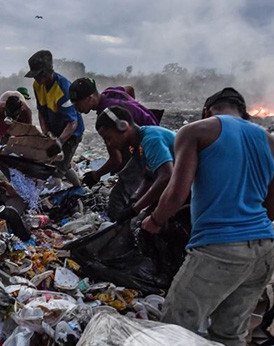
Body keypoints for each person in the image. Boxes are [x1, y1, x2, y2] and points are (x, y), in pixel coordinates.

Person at [142, 87, 274, 346]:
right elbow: (271, 210)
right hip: (263, 253)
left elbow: (177, 192)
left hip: (219, 249)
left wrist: (155, 221)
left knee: (176, 327)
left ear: (207, 111)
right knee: (229, 335)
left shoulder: (196, 131)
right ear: (245, 114)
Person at [69, 77, 160, 218]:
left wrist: (95, 175)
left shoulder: (107, 118)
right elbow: (129, 88)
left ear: (90, 98)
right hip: (153, 131)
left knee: (118, 197)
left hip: (147, 148)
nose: (76, 109)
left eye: (77, 104)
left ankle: (120, 227)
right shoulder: (110, 92)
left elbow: (115, 160)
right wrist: (132, 113)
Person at [95, 106, 175, 222]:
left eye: (108, 138)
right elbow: (149, 178)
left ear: (122, 126)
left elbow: (166, 176)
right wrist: (135, 200)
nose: (109, 144)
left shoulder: (150, 139)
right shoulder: (139, 144)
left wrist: (135, 209)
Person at [25, 50, 84, 186]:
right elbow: (41, 111)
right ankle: (79, 187)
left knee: (57, 172)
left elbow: (72, 123)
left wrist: (59, 142)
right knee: (62, 164)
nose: (36, 79)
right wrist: (47, 133)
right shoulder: (37, 85)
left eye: (38, 76)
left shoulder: (63, 89)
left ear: (47, 72)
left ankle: (56, 202)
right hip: (56, 131)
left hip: (71, 135)